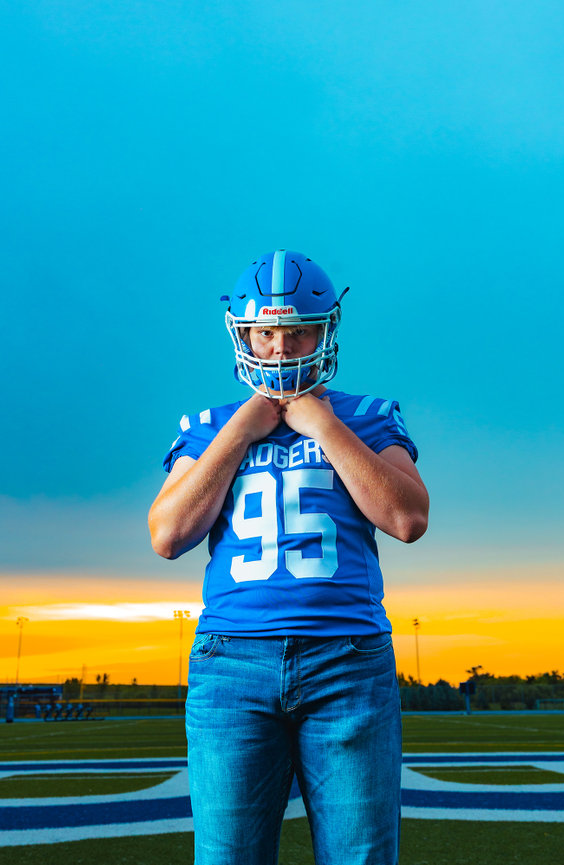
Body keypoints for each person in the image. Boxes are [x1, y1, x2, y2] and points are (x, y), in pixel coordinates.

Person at [149, 250, 429, 865]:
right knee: (228, 857)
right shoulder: (207, 425)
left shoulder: (368, 417)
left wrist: (323, 427)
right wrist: (240, 433)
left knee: (360, 855)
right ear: (244, 333)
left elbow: (408, 519)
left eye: (297, 330)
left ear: (324, 330)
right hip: (233, 662)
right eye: (266, 331)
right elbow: (168, 534)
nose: (280, 347)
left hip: (348, 661)